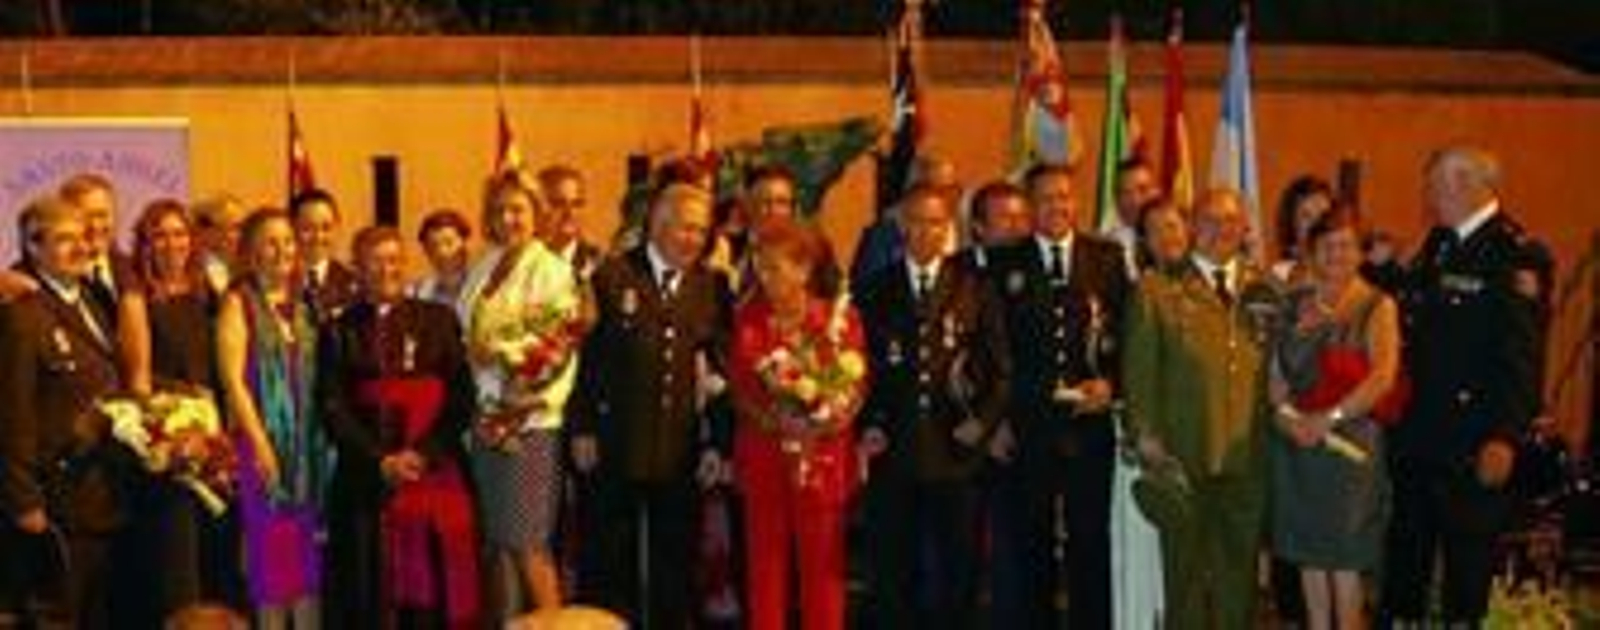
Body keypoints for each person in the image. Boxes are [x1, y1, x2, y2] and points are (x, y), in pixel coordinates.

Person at [1381, 147, 1544, 625]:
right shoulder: (1440, 243)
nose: (1428, 197)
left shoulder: (1512, 254)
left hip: (1473, 443)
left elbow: (1521, 355)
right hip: (1420, 436)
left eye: (1434, 186)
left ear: (1468, 185)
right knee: (1405, 572)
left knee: (1465, 578)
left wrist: (1504, 436)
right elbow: (1416, 313)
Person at [569, 182, 734, 627]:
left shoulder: (712, 287)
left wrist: (718, 444)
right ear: (657, 225)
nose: (694, 240)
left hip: (679, 451)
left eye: (701, 231)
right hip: (614, 444)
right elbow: (585, 358)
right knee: (607, 566)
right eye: (685, 229)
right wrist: (581, 427)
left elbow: (720, 371)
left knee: (676, 570)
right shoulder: (612, 276)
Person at [1122, 188, 1282, 630]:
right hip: (1183, 453)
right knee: (1184, 577)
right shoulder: (1157, 289)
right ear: (1192, 227)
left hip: (1247, 454)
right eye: (1210, 220)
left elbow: (1279, 369)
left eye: (1231, 221)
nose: (1221, 230)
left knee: (1239, 576)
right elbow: (1139, 373)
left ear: (1246, 228)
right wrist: (1146, 436)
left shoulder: (1264, 288)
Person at [854, 185, 1010, 629]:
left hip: (956, 450)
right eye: (917, 222)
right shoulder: (874, 289)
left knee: (957, 571)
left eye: (936, 222)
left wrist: (981, 424)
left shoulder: (975, 287)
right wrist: (868, 423)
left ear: (949, 228)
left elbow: (1000, 369)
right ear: (901, 226)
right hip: (895, 449)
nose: (926, 232)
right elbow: (858, 367)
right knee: (891, 572)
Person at [986, 163, 1131, 629]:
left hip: (1089, 426)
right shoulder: (1006, 261)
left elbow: (1129, 335)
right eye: (1046, 198)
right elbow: (991, 346)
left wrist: (1112, 385)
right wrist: (998, 420)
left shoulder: (1105, 257)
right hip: (1029, 428)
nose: (1058, 206)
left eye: (1065, 196)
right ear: (1029, 206)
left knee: (1091, 540)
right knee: (1032, 543)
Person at [320, 226, 482, 628]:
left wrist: (422, 453)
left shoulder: (438, 320)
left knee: (434, 596)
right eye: (375, 260)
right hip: (365, 479)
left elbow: (461, 399)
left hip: (433, 470)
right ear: (357, 267)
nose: (386, 269)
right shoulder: (338, 330)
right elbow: (333, 408)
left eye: (394, 259)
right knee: (367, 590)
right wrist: (381, 461)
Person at [728, 215, 867, 630]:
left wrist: (828, 418)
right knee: (765, 572)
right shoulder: (747, 319)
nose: (764, 276)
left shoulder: (838, 320)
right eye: (758, 265)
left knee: (824, 575)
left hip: (823, 460)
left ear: (804, 269)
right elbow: (738, 390)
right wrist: (780, 421)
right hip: (766, 459)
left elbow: (857, 384)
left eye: (774, 266)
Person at [458, 169, 585, 617]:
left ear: (536, 213)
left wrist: (502, 357)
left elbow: (558, 347)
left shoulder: (551, 269)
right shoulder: (484, 266)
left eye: (518, 208)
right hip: (486, 421)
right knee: (499, 543)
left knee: (531, 545)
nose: (508, 218)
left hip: (529, 425)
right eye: (499, 210)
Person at [1270, 207, 1401, 630]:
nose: (1336, 255)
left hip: (1352, 448)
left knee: (1344, 561)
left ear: (1360, 252)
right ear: (1310, 252)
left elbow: (1383, 376)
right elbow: (1273, 373)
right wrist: (1285, 418)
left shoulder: (1377, 305)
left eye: (1346, 245)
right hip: (1299, 444)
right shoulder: (1292, 303)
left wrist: (1330, 417)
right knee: (1310, 558)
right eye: (1326, 246)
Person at [0, 196, 126, 627]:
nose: (82, 247)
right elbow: (13, 415)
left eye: (85, 237)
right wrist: (24, 500)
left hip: (102, 492)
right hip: (55, 501)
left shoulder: (92, 299)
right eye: (65, 239)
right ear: (33, 248)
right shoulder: (22, 316)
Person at [116, 199, 240, 621]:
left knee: (217, 570)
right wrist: (179, 428)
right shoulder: (137, 298)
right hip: (173, 455)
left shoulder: (211, 293)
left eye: (180, 233)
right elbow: (138, 382)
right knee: (179, 578)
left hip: (216, 452)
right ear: (145, 244)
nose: (173, 244)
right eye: (160, 235)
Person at [216, 207, 328, 629]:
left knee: (307, 564)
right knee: (272, 563)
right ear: (251, 251)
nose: (282, 249)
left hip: (308, 452)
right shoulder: (238, 302)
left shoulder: (305, 304)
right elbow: (233, 381)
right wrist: (260, 444)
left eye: (288, 240)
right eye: (270, 241)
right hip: (262, 448)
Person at [58, 173, 137, 320]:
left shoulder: (137, 269)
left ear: (116, 216)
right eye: (84, 217)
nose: (95, 225)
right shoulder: (43, 278)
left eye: (102, 215)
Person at [290, 189, 359, 323]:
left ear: (338, 228)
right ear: (292, 228)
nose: (318, 237)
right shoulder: (278, 280)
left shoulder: (353, 285)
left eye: (326, 228)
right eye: (307, 228)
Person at [537, 165, 607, 284]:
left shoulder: (602, 265)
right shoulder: (521, 261)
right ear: (537, 208)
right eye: (558, 204)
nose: (570, 213)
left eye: (577, 204)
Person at [1272, 175, 1336, 285]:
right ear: (1291, 225)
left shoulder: (1348, 271)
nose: (1317, 223)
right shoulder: (1281, 277)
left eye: (1324, 215)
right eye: (1306, 216)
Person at [1105, 158, 1164, 277]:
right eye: (1126, 193)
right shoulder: (1106, 249)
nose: (1135, 201)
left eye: (1143, 190)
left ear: (1156, 192)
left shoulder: (1175, 241)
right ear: (1116, 199)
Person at [411, 209, 475, 306]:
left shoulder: (482, 285)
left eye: (449, 243)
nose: (442, 252)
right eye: (434, 246)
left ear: (465, 244)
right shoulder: (418, 294)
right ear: (426, 252)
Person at [192, 193, 248, 296]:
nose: (242, 234)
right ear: (208, 231)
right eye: (235, 227)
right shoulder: (195, 272)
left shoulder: (242, 266)